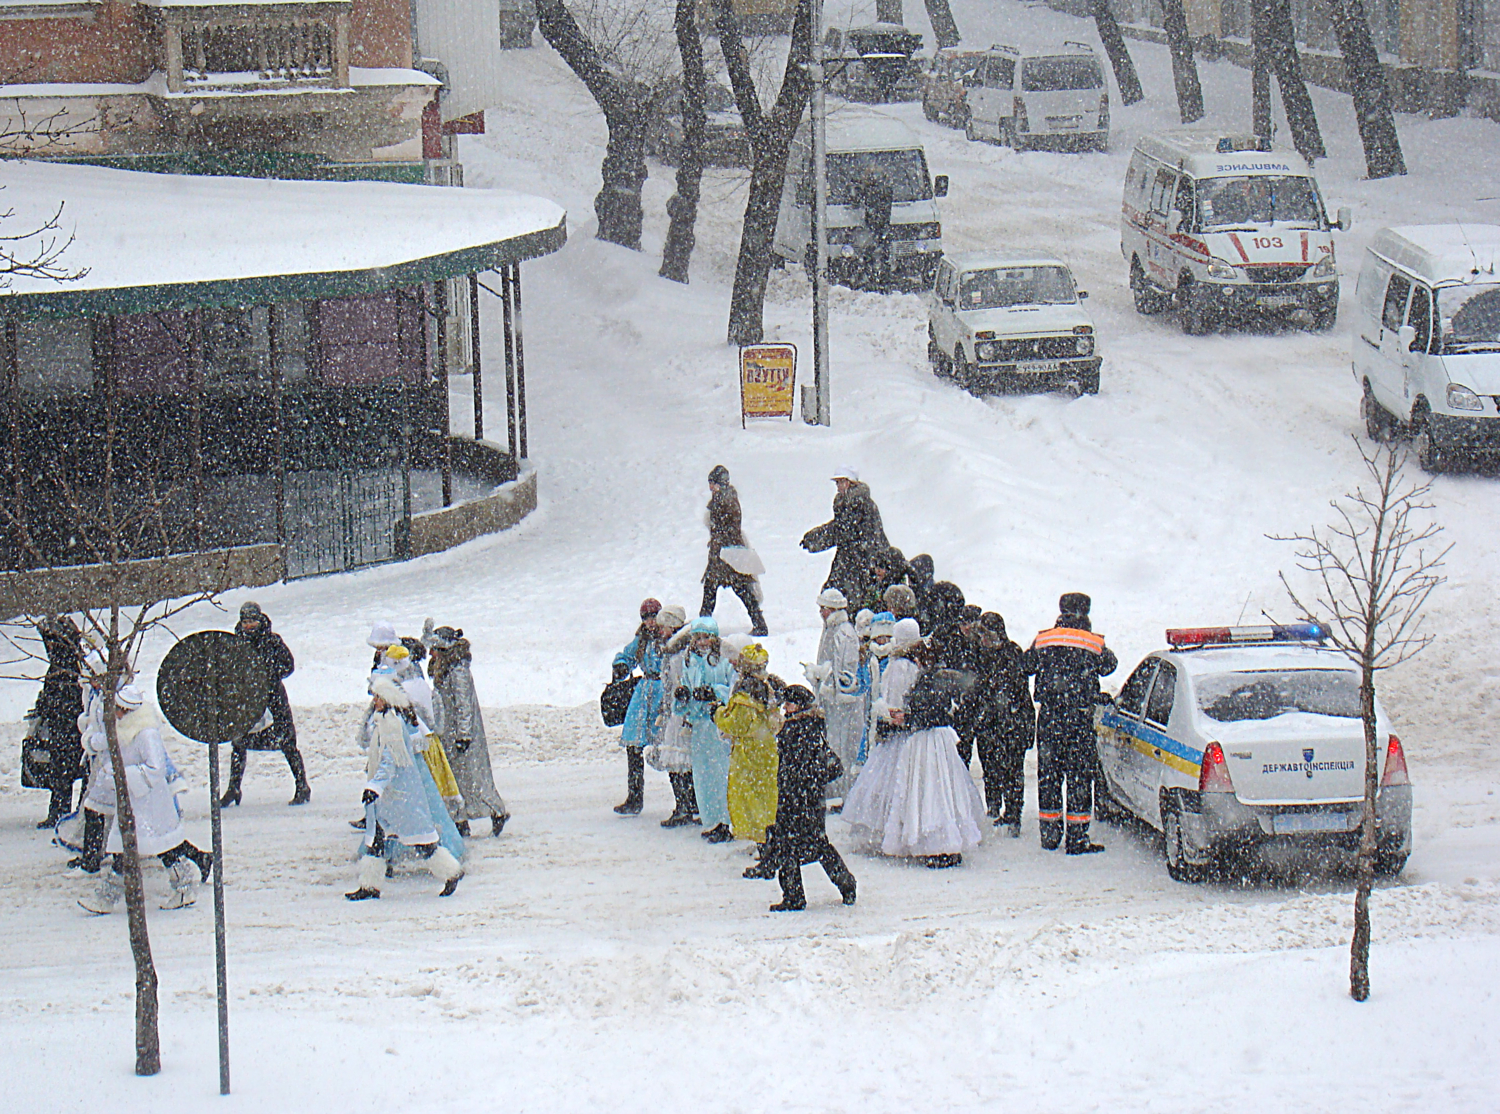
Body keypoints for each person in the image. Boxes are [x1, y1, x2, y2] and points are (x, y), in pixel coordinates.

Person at [79, 686, 212, 914]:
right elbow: (106, 743)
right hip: (133, 800)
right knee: (126, 849)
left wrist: (120, 773)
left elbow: (156, 768)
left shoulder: (145, 733)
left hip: (150, 802)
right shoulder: (125, 728)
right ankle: (107, 897)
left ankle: (182, 888)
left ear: (126, 710)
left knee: (161, 848)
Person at [346, 677, 465, 900]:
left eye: (378, 696)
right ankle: (369, 886)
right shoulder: (387, 719)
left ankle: (451, 872)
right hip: (393, 796)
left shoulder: (391, 723)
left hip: (399, 796)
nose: (375, 701)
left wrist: (374, 787)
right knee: (377, 840)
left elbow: (390, 760)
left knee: (422, 841)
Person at [1022, 592, 1117, 855]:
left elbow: (1026, 665)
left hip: (1051, 717)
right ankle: (1077, 839)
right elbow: (1110, 665)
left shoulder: (1044, 639)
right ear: (1086, 612)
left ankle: (1050, 835)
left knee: (1049, 776)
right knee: (1079, 778)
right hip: (1079, 718)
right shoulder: (1092, 642)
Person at [763, 685, 856, 911]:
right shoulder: (813, 728)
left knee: (787, 847)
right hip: (809, 800)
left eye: (790, 703)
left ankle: (794, 896)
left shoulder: (794, 730)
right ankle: (846, 884)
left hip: (794, 799)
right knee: (818, 845)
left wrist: (792, 786)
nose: (786, 707)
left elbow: (791, 768)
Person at [841, 617, 921, 853]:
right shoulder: (907, 665)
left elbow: (894, 702)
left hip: (899, 732)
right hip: (904, 731)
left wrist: (889, 712)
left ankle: (889, 828)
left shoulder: (899, 665)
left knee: (891, 780)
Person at [221, 602, 309, 808]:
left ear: (259, 620)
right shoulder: (235, 643)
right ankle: (234, 788)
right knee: (239, 742)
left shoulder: (272, 641)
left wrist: (268, 676)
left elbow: (288, 665)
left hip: (273, 700)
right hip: (247, 702)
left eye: (252, 621)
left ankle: (302, 785)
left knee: (287, 743)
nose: (249, 626)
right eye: (245, 621)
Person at [425, 622, 509, 837]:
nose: (430, 653)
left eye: (434, 648)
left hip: (461, 734)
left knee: (475, 777)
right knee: (454, 779)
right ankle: (459, 820)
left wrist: (464, 734)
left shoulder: (457, 670)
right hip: (449, 732)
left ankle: (495, 810)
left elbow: (464, 704)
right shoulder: (444, 667)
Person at [963, 613, 1035, 835]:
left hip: (1012, 722)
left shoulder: (1012, 653)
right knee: (990, 767)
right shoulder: (979, 654)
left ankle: (1013, 815)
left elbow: (1014, 689)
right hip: (989, 723)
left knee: (1013, 770)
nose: (984, 640)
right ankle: (994, 807)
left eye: (987, 635)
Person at [673, 616, 735, 843]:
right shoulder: (689, 661)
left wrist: (715, 693)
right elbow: (686, 689)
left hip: (719, 725)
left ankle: (727, 822)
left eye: (705, 637)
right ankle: (711, 820)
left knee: (722, 774)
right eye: (697, 637)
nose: (701, 642)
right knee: (703, 775)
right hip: (699, 726)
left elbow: (734, 688)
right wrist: (683, 697)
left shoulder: (724, 660)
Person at [719, 643, 783, 854]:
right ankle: (769, 836)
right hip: (768, 748)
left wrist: (718, 714)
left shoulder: (745, 693)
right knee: (767, 794)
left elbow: (737, 724)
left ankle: (762, 841)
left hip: (749, 752)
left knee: (749, 797)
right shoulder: (771, 686)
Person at [800, 467, 889, 607]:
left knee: (849, 599)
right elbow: (841, 528)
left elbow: (844, 529)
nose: (838, 487)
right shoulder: (847, 502)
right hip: (850, 558)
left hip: (863, 559)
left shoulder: (859, 503)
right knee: (835, 596)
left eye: (840, 482)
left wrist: (817, 537)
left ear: (849, 482)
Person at [806, 587, 861, 806]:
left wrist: (824, 674)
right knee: (834, 744)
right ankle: (837, 789)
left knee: (844, 747)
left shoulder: (844, 633)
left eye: (824, 608)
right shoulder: (831, 629)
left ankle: (844, 791)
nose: (821, 612)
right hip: (831, 701)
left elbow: (847, 673)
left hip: (843, 704)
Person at [610, 599, 666, 816]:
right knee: (633, 747)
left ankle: (686, 800)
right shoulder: (641, 639)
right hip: (643, 694)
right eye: (646, 617)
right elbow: (626, 654)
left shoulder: (667, 638)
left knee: (670, 745)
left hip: (663, 691)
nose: (651, 621)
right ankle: (635, 796)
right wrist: (621, 666)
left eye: (654, 616)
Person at [700, 465, 768, 637]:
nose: (710, 487)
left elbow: (726, 528)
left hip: (725, 554)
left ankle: (702, 626)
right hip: (728, 553)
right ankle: (759, 623)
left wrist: (719, 541)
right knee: (739, 588)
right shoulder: (727, 498)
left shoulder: (722, 500)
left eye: (712, 483)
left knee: (714, 589)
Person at [651, 607, 699, 828]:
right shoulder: (677, 651)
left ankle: (685, 806)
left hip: (680, 714)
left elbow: (679, 684)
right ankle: (691, 805)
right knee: (683, 762)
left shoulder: (680, 655)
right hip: (676, 712)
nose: (660, 631)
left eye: (663, 627)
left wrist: (675, 707)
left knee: (678, 761)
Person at [34, 616, 83, 828]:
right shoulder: (69, 662)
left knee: (63, 772)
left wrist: (45, 706)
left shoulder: (65, 666)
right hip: (68, 726)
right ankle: (63, 813)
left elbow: (61, 697)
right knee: (64, 772)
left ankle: (62, 814)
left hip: (68, 727)